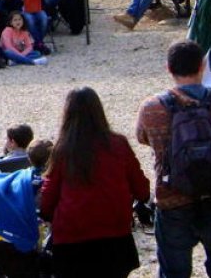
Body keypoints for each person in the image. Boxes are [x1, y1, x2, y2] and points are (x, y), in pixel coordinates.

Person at [136, 39, 211, 278]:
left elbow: (143, 138)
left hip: (172, 198)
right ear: (203, 66)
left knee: (174, 271)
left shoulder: (152, 107)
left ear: (169, 69)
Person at [40, 87, 150, 278]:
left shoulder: (63, 149)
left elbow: (48, 195)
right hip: (114, 236)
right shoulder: (118, 144)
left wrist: (48, 215)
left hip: (71, 237)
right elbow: (142, 189)